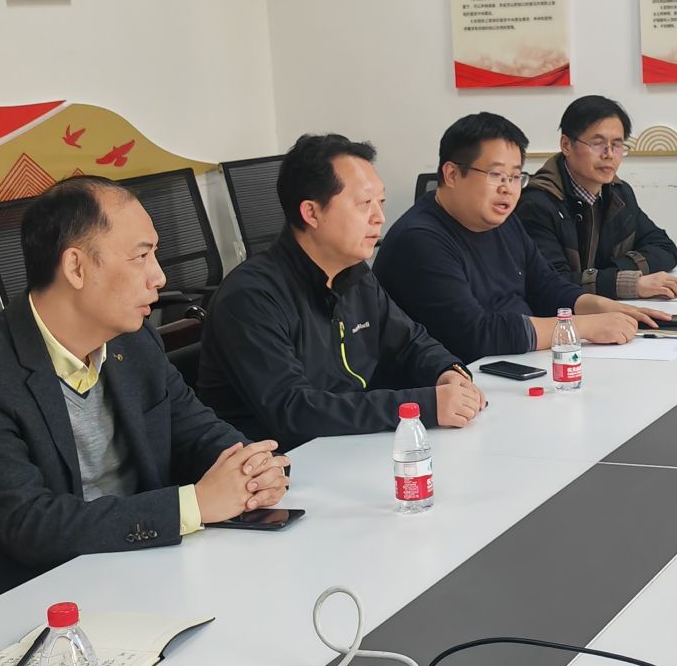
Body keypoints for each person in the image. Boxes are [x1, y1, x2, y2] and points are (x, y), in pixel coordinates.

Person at [0, 178, 287, 629]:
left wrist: (251, 470)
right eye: (141, 256)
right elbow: (33, 526)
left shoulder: (135, 341)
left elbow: (194, 428)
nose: (159, 277)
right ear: (75, 267)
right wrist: (195, 504)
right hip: (17, 616)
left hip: (133, 577)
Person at [197, 133, 486, 450]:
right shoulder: (250, 298)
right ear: (312, 213)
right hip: (283, 464)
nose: (380, 218)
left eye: (381, 202)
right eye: (364, 204)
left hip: (348, 446)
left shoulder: (354, 274)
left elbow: (409, 342)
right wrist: (425, 406)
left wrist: (447, 372)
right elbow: (294, 412)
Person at [373, 112, 662, 365]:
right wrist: (582, 327)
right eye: (496, 175)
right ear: (451, 174)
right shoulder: (420, 240)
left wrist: (605, 307)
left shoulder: (503, 220)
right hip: (455, 387)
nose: (508, 189)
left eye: (514, 177)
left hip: (516, 363)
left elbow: (545, 286)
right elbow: (475, 334)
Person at [517, 94, 677, 301]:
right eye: (598, 144)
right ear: (566, 145)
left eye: (617, 145)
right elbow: (552, 283)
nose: (609, 154)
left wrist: (610, 274)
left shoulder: (619, 194)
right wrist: (627, 283)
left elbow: (664, 248)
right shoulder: (538, 204)